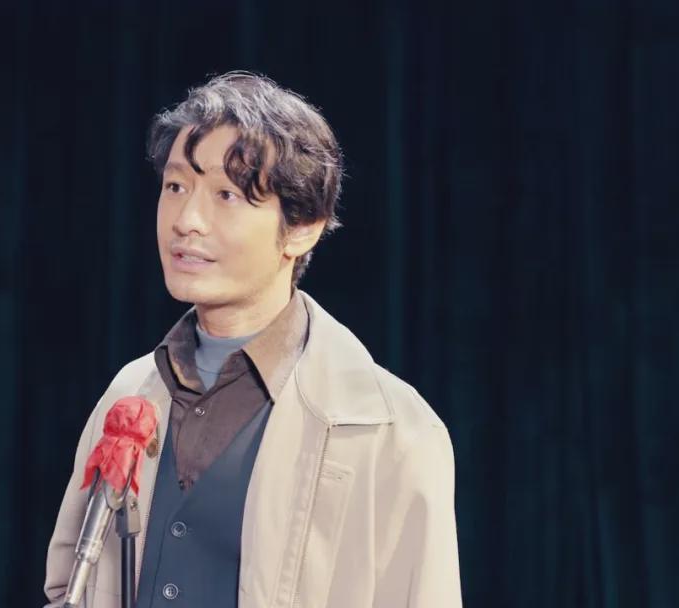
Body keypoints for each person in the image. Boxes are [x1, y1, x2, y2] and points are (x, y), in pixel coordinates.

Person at [43, 71, 462, 608]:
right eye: (175, 187)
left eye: (227, 195)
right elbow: (69, 587)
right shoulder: (128, 394)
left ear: (303, 227)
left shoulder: (392, 431)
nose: (187, 220)